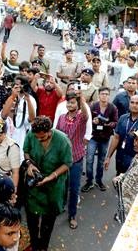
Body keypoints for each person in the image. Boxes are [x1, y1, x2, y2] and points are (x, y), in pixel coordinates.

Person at [23, 117, 72, 251]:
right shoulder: (31, 135)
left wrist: (51, 177)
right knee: (32, 219)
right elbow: (26, 151)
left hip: (53, 187)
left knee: (48, 222)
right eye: (37, 138)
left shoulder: (62, 140)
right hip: (34, 185)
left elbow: (67, 163)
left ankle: (44, 246)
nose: (39, 140)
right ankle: (34, 244)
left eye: (43, 137)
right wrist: (29, 164)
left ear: (50, 131)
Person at [55, 92, 88, 229]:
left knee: (74, 189)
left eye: (73, 102)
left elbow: (85, 115)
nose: (70, 105)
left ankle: (72, 215)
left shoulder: (81, 117)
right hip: (62, 159)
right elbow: (57, 134)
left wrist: (82, 99)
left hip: (76, 158)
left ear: (78, 104)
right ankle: (61, 206)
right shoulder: (62, 117)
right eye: (68, 102)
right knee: (62, 186)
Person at [105, 95, 138, 175]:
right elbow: (116, 138)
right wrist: (108, 157)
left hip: (135, 162)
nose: (134, 105)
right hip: (120, 157)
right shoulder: (122, 118)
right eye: (132, 102)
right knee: (119, 178)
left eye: (137, 103)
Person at [82, 87, 118, 193]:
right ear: (99, 95)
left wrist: (107, 124)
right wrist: (93, 121)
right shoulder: (93, 106)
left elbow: (115, 122)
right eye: (102, 94)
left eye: (106, 94)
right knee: (89, 160)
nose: (104, 96)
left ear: (109, 95)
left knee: (101, 160)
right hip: (93, 136)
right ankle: (89, 181)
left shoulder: (112, 108)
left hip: (105, 137)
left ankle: (98, 180)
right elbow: (86, 120)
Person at [0, 76, 36, 157]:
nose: (18, 87)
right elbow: (3, 116)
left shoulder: (30, 101)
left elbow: (32, 119)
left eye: (20, 85)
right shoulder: (11, 97)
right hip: (6, 144)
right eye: (16, 84)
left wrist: (28, 99)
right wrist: (13, 96)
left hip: (20, 144)